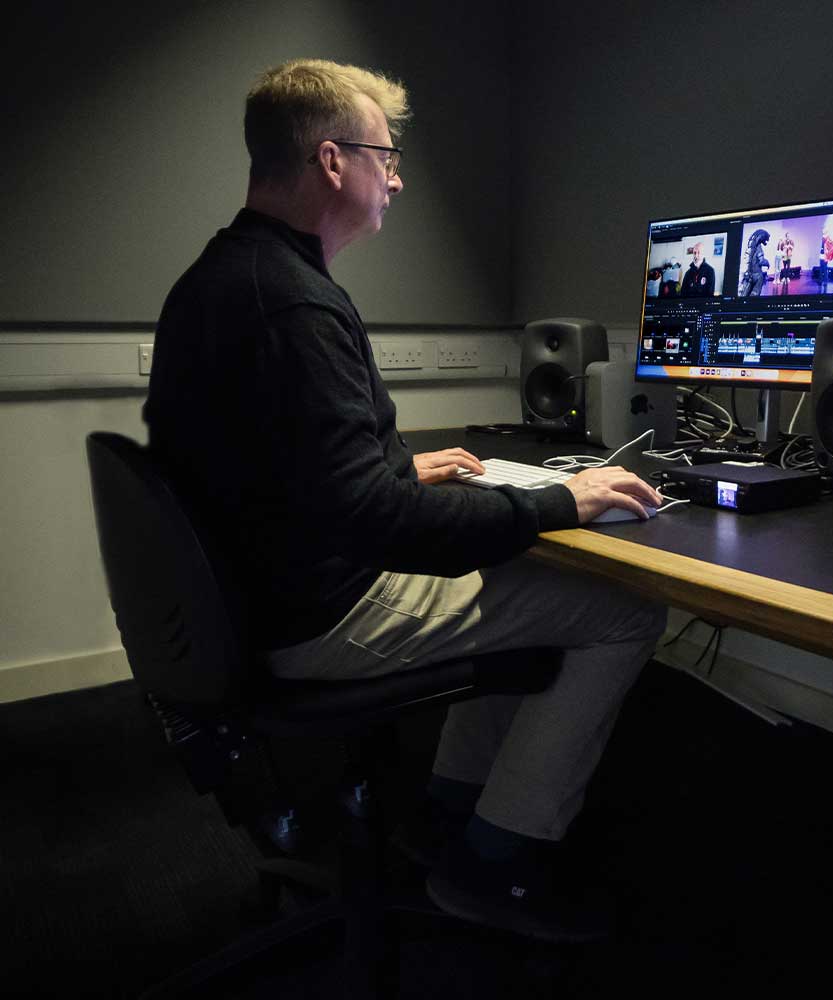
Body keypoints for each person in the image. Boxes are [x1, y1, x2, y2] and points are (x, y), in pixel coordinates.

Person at [143, 59, 666, 942]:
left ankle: (445, 815)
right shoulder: (294, 307)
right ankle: (498, 867)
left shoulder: (223, 278)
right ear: (333, 162)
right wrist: (563, 501)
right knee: (624, 611)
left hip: (253, 603)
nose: (398, 176)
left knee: (512, 590)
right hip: (317, 619)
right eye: (385, 155)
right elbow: (392, 532)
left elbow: (273, 467)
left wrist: (389, 472)